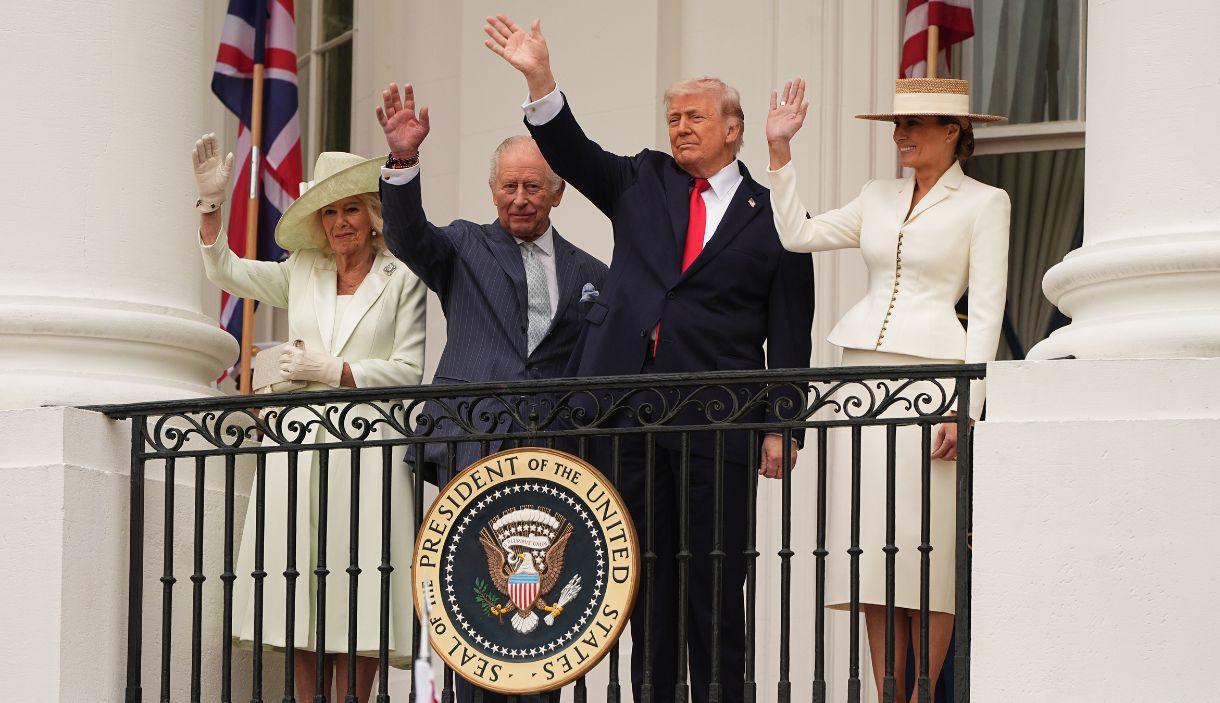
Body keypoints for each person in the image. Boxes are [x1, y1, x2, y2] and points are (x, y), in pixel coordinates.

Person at [483, 16, 815, 703]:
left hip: (716, 423)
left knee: (715, 588)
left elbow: (789, 325)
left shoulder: (772, 211)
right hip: (628, 416)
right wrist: (539, 79)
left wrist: (781, 421)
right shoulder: (642, 178)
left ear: (732, 128)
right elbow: (572, 153)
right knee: (644, 585)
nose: (680, 127)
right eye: (672, 117)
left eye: (694, 116)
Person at [764, 76, 1009, 703]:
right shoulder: (877, 195)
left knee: (929, 552)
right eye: (896, 125)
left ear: (953, 132)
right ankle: (886, 698)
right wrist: (780, 152)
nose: (900, 136)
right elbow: (799, 234)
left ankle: (922, 697)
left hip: (934, 385)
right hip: (860, 381)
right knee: (874, 551)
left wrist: (966, 402)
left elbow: (984, 312)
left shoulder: (986, 203)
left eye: (915, 125)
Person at [373, 82, 608, 703]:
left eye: (533, 186)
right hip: (470, 447)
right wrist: (401, 163)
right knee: (471, 609)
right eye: (509, 186)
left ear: (557, 193)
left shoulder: (591, 272)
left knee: (547, 619)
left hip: (552, 459)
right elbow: (406, 237)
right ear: (492, 189)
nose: (520, 198)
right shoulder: (462, 245)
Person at [191, 134, 428, 702]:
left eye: (350, 209)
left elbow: (409, 370)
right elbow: (227, 271)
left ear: (372, 215)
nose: (340, 222)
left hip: (371, 451)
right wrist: (210, 208)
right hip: (297, 446)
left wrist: (336, 370)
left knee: (363, 580)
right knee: (297, 580)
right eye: (329, 212)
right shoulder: (303, 272)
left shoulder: (403, 277)